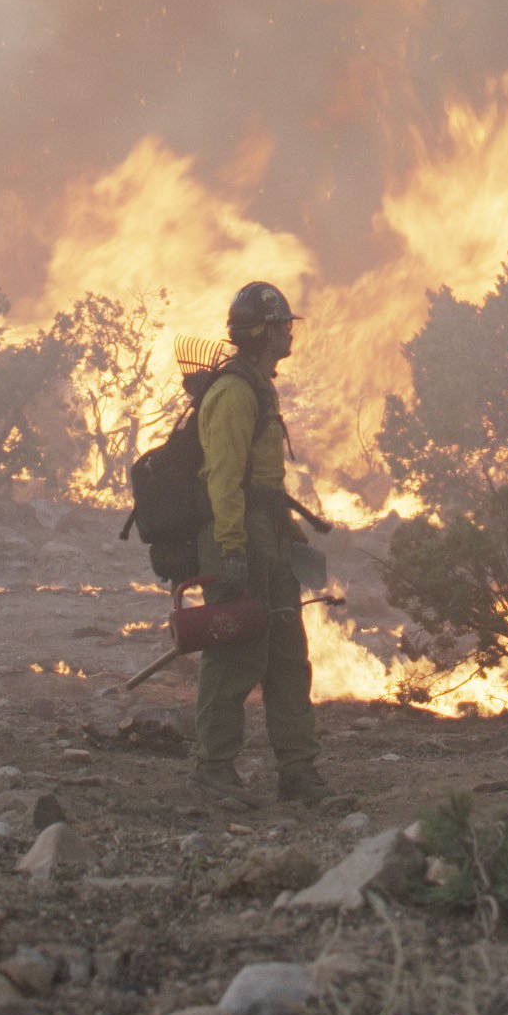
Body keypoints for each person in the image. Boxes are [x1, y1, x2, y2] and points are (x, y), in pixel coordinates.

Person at [190, 280, 330, 806]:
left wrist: (286, 532)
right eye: (282, 325)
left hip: (267, 537)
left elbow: (263, 478)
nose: (288, 333)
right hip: (239, 539)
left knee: (288, 657)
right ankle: (213, 767)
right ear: (262, 332)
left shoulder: (259, 386)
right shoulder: (233, 392)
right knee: (235, 654)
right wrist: (231, 549)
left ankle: (298, 771)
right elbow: (223, 479)